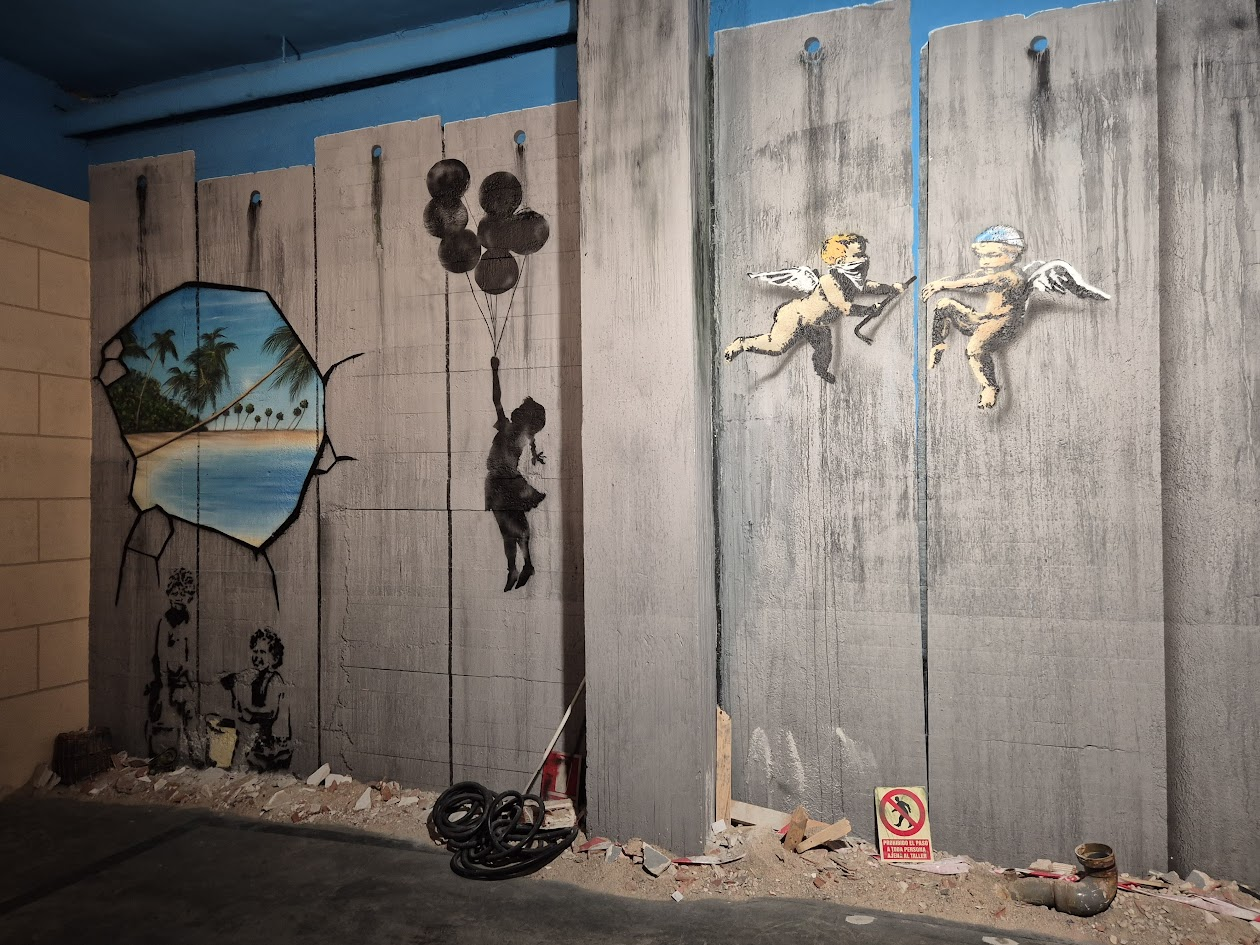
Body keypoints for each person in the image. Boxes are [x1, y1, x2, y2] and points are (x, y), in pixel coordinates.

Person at [921, 225, 1109, 409]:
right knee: (944, 305)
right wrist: (941, 283)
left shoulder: (1012, 276)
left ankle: (989, 387)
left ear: (1013, 254)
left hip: (1003, 324)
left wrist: (942, 285)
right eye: (981, 256)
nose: (985, 261)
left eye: (992, 255)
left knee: (974, 349)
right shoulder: (990, 272)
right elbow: (967, 277)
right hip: (985, 319)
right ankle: (938, 344)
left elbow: (979, 283)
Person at [722, 233, 907, 383]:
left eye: (863, 253)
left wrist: (891, 288)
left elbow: (868, 286)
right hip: (795, 316)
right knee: (777, 346)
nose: (864, 258)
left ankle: (821, 370)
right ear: (841, 261)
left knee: (824, 348)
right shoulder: (829, 281)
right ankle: (742, 344)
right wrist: (868, 310)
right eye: (858, 255)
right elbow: (843, 307)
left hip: (816, 324)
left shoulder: (850, 282)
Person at [486, 356, 547, 592]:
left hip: (506, 483)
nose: (516, 411)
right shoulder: (521, 434)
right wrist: (534, 455)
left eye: (520, 411)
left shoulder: (509, 428)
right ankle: (515, 568)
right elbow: (531, 442)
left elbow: (496, 399)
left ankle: (525, 565)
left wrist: (495, 371)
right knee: (509, 529)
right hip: (497, 482)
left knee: (515, 527)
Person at [220, 627, 292, 771]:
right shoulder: (257, 676)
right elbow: (232, 679)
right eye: (255, 651)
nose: (257, 656)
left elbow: (270, 712)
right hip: (260, 738)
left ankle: (237, 770)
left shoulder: (274, 679)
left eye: (263, 652)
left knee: (245, 744)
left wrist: (249, 713)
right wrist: (233, 680)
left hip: (276, 744)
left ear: (274, 658)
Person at [144, 567, 196, 760]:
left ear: (189, 596)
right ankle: (165, 752)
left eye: (183, 593)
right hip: (168, 680)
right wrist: (166, 684)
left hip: (183, 679)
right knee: (166, 720)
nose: (179, 597)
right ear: (169, 594)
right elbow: (162, 655)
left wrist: (189, 678)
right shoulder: (166, 622)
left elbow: (189, 652)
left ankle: (189, 752)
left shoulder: (187, 621)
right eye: (175, 593)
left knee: (188, 717)